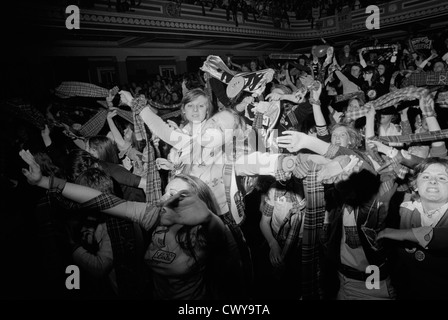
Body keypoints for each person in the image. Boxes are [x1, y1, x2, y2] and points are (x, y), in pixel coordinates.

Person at [19, 149, 245, 300]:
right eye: (167, 191)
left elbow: (233, 265)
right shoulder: (156, 216)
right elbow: (102, 201)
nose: (167, 198)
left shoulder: (208, 231)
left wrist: (209, 218)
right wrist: (44, 182)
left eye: (178, 194)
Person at [378, 157, 448, 300]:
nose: (433, 181)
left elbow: (438, 236)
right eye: (426, 176)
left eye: (442, 178)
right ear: (415, 185)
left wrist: (390, 233)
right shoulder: (404, 207)